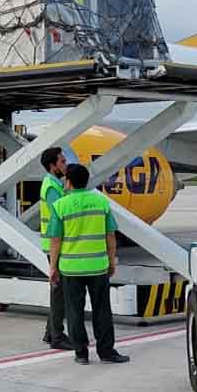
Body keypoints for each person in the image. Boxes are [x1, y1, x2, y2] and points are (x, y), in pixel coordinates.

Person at [47, 163, 129, 364]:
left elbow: (55, 240)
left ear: (69, 181)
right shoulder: (101, 202)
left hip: (71, 268)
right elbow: (110, 235)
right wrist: (111, 260)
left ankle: (81, 353)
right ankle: (107, 352)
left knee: (74, 312)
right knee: (102, 310)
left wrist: (53, 268)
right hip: (97, 266)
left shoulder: (61, 206)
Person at [39, 146, 72, 350]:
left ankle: (50, 332)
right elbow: (60, 215)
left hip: (54, 244)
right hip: (54, 245)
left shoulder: (54, 184)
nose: (65, 164)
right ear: (53, 165)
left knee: (58, 291)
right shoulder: (51, 187)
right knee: (59, 292)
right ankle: (57, 337)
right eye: (62, 161)